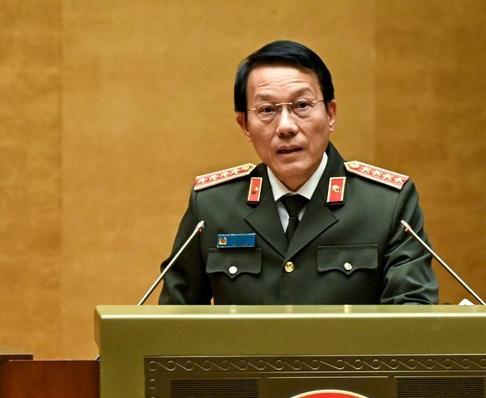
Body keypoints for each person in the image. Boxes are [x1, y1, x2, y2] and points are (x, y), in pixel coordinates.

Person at [158, 40, 438, 305]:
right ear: (244, 125)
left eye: (301, 106)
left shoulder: (387, 204)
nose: (286, 126)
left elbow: (412, 322)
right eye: (267, 109)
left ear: (330, 114)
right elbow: (171, 324)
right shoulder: (212, 205)